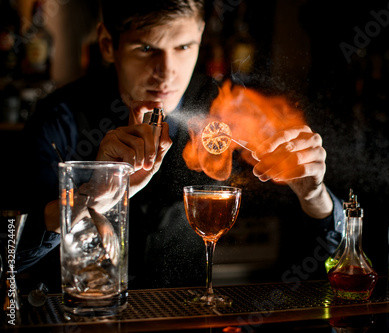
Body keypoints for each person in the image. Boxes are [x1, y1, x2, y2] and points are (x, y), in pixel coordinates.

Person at [17, 0, 343, 291]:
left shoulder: (229, 112)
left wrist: (313, 196)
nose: (167, 73)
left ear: (201, 35)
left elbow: (334, 264)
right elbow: (11, 260)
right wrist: (96, 195)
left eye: (184, 47)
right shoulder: (60, 119)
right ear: (107, 44)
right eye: (146, 49)